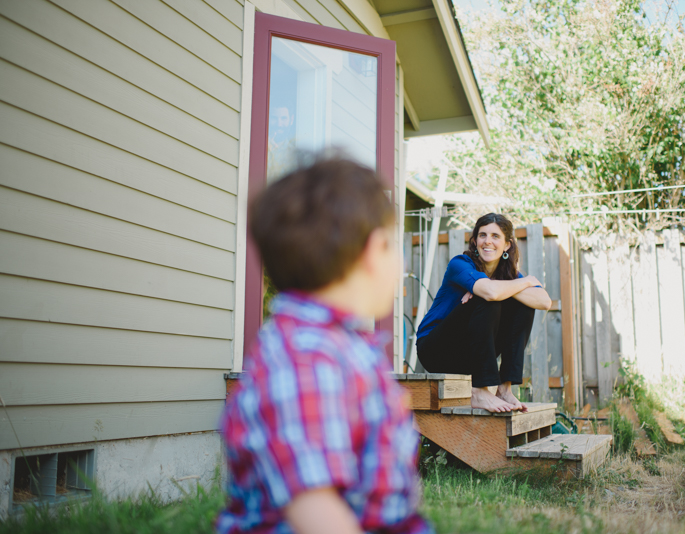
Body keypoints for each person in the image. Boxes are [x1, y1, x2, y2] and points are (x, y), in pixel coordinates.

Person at [218, 159, 433, 534]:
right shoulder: (307, 358)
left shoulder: (338, 345)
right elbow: (315, 509)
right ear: (373, 250)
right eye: (393, 244)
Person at [415, 213, 552, 413]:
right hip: (435, 350)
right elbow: (490, 292)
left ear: (507, 245)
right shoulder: (460, 264)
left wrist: (504, 287)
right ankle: (479, 391)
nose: (488, 241)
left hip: (469, 355)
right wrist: (527, 281)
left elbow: (544, 301)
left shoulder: (509, 275)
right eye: (482, 235)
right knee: (490, 298)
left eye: (495, 236)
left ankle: (504, 389)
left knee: (521, 304)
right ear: (474, 241)